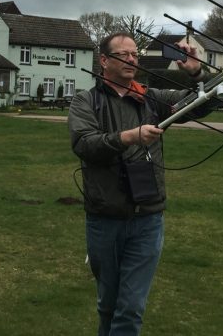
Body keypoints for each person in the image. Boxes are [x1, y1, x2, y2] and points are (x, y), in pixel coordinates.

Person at [68, 32, 211, 335]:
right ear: (104, 61)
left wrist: (197, 71)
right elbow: (85, 144)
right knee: (108, 305)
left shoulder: (151, 98)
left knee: (130, 307)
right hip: (105, 218)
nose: (132, 59)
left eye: (135, 54)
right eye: (124, 54)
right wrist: (130, 136)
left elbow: (200, 105)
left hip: (147, 219)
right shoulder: (85, 102)